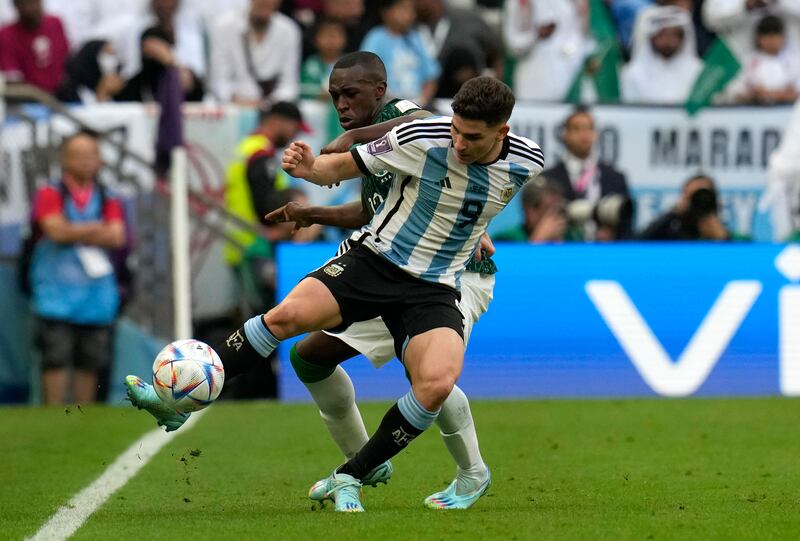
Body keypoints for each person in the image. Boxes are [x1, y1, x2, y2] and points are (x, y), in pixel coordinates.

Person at [125, 75, 544, 513]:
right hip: (375, 262)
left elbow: (453, 171)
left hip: (437, 285)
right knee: (291, 325)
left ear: (502, 133)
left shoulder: (520, 158)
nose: (458, 142)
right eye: (455, 129)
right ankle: (182, 400)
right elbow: (346, 171)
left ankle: (368, 473)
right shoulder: (424, 136)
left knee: (435, 381)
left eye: (471, 136)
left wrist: (476, 231)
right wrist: (311, 169)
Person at [264, 51, 495, 510]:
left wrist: (352, 136)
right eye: (334, 97)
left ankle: (473, 472)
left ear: (380, 90)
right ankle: (365, 461)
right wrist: (311, 212)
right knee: (311, 356)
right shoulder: (381, 152)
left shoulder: (399, 118)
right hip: (401, 270)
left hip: (456, 273)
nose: (342, 105)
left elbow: (431, 118)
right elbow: (374, 209)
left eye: (351, 94)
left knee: (427, 373)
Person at [29, 131, 126, 404]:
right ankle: (53, 415)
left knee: (90, 359)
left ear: (99, 160)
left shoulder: (108, 196)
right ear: (64, 159)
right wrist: (95, 227)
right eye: (78, 155)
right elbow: (55, 230)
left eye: (91, 155)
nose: (85, 161)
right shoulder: (50, 192)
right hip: (55, 294)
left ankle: (83, 416)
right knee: (55, 357)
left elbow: (117, 236)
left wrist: (74, 230)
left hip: (96, 296)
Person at [224, 101, 316, 311]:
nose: (294, 136)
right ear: (278, 122)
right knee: (267, 321)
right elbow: (265, 203)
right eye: (295, 128)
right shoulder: (260, 154)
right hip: (258, 246)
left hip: (243, 244)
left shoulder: (248, 147)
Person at [542, 106, 631, 240]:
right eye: (577, 129)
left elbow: (625, 220)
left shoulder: (615, 178)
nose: (584, 134)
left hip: (606, 251)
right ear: (565, 134)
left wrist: (611, 234)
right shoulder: (548, 179)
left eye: (589, 128)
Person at [210, 0, 301, 105]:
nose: (266, 2)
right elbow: (219, 81)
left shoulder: (289, 31)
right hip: (232, 106)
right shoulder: (224, 27)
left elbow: (289, 85)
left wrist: (268, 105)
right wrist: (237, 100)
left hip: (273, 108)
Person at [359, 0, 440, 106]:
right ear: (385, 12)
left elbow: (431, 77)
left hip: (416, 104)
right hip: (385, 104)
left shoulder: (417, 38)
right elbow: (366, 74)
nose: (410, 14)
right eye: (403, 8)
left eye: (412, 9)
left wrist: (422, 100)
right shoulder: (376, 38)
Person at [621, 5, 702, 104]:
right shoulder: (633, 73)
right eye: (662, 35)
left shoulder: (699, 71)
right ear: (651, 38)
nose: (668, 41)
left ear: (683, 38)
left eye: (674, 35)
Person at [638, 174, 737, 240]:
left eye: (704, 196)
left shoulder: (736, 238)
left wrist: (724, 239)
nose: (699, 202)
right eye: (692, 196)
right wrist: (673, 213)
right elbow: (638, 245)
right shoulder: (672, 234)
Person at [0, 0, 69, 94]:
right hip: (29, 98)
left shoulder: (55, 23)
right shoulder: (6, 35)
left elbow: (67, 61)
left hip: (62, 94)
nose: (30, 8)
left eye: (34, 2)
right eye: (25, 3)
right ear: (16, 5)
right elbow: (13, 79)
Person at [731, 15, 800, 104]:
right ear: (758, 38)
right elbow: (736, 92)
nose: (771, 40)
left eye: (776, 35)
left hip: (788, 111)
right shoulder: (748, 61)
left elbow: (797, 92)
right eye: (767, 36)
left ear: (783, 37)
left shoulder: (794, 60)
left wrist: (769, 94)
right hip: (755, 111)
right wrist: (753, 95)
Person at [494, 177, 579, 243]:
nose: (557, 216)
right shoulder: (507, 239)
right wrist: (538, 240)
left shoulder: (572, 236)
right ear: (531, 211)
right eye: (550, 209)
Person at [300, 17, 347, 99]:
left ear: (344, 39)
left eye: (335, 35)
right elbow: (305, 90)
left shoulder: (351, 65)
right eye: (326, 35)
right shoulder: (310, 64)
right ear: (316, 39)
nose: (331, 41)